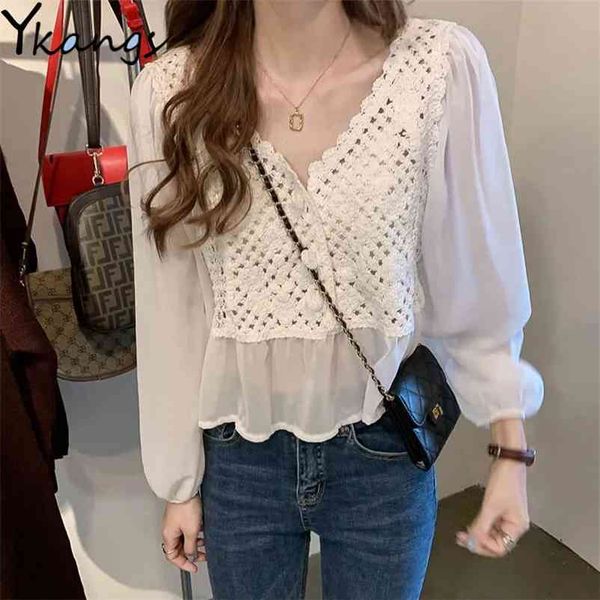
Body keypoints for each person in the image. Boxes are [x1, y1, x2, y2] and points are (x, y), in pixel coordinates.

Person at [126, 1, 544, 598]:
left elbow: (480, 281)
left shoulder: (435, 68)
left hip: (383, 457)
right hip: (239, 463)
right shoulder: (172, 91)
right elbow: (171, 305)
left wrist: (510, 452)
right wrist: (179, 483)